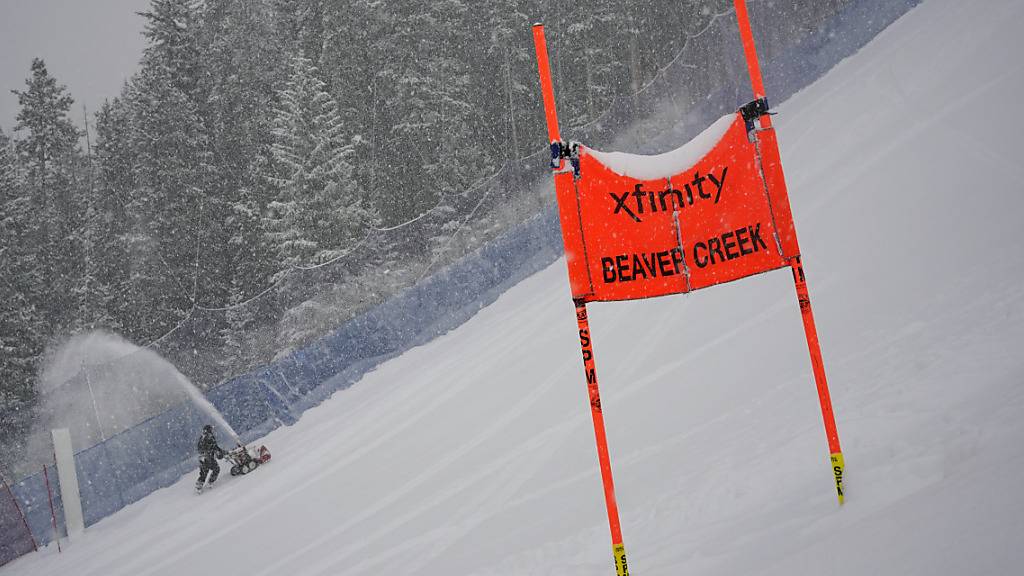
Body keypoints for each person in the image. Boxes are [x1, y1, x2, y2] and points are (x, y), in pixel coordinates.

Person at [195, 424, 226, 493]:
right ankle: (210, 482)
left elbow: (201, 448)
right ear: (209, 430)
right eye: (211, 429)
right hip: (208, 458)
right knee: (216, 469)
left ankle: (199, 485)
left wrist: (220, 452)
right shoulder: (209, 437)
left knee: (204, 472)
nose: (212, 431)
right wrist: (221, 452)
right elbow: (214, 447)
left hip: (202, 458)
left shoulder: (202, 437)